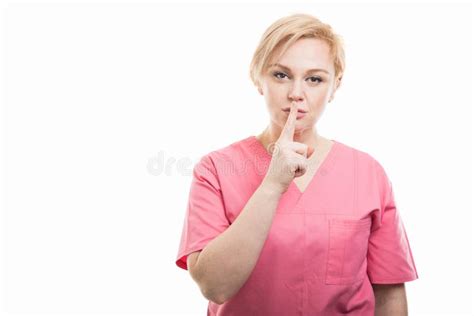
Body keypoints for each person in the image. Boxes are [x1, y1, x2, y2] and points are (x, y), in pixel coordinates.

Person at [175, 12, 419, 315]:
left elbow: (390, 292)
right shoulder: (215, 170)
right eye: (281, 75)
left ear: (335, 86)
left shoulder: (367, 174)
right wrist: (273, 185)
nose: (296, 94)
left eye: (314, 79)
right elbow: (215, 286)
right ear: (257, 77)